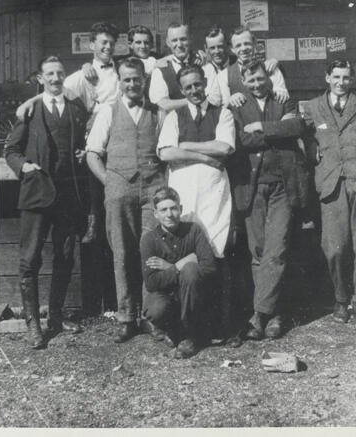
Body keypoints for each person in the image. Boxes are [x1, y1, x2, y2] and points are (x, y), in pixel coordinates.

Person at [5, 56, 88, 349]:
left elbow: (84, 145)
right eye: (50, 74)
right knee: (30, 259)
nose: (55, 78)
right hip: (37, 195)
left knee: (65, 256)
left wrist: (82, 154)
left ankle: (55, 316)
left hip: (67, 197)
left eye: (59, 73)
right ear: (41, 78)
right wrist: (23, 166)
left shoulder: (77, 110)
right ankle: (33, 325)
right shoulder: (30, 111)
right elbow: (11, 150)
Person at [15, 21, 121, 244]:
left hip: (120, 139)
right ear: (92, 45)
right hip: (97, 140)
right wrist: (29, 103)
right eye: (103, 42)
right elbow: (54, 91)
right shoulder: (78, 77)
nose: (108, 47)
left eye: (112, 43)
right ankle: (93, 226)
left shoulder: (123, 70)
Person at [86, 57, 165, 343]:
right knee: (122, 254)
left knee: (151, 253)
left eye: (137, 79)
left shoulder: (158, 113)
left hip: (153, 190)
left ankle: (151, 317)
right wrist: (110, 183)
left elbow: (166, 150)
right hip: (119, 191)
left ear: (144, 80)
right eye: (127, 79)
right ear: (120, 81)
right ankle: (126, 317)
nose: (132, 84)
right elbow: (93, 154)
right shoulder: (107, 112)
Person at [229, 60, 308, 343]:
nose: (257, 84)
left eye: (260, 78)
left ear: (268, 77)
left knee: (276, 250)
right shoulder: (237, 106)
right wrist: (276, 132)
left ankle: (260, 316)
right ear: (243, 82)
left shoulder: (284, 99)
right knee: (259, 251)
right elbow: (241, 141)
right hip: (252, 188)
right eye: (251, 81)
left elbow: (296, 127)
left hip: (282, 187)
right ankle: (274, 314)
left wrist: (261, 126)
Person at [157, 64, 235, 339]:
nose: (194, 91)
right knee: (186, 258)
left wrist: (187, 146)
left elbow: (224, 147)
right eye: (188, 87)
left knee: (215, 252)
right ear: (182, 90)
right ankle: (188, 328)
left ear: (205, 84)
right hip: (185, 191)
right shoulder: (174, 117)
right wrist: (203, 155)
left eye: (197, 85)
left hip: (215, 193)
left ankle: (219, 326)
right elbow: (166, 153)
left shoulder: (222, 113)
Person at [303, 60, 356, 330]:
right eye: (336, 77)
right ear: (327, 77)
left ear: (352, 79)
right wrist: (312, 146)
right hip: (331, 182)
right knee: (334, 247)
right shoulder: (314, 107)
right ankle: (340, 297)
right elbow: (304, 134)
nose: (341, 82)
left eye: (346, 77)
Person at [141, 186, 217, 358]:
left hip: (193, 296)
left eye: (173, 208)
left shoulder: (193, 230)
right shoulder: (149, 240)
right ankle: (172, 330)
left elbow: (209, 266)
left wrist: (169, 267)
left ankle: (190, 336)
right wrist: (178, 265)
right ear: (155, 214)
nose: (169, 214)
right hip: (167, 297)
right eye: (163, 210)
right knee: (155, 309)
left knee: (190, 269)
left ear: (180, 209)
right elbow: (152, 283)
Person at [203, 25, 285, 107]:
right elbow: (224, 107)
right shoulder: (223, 75)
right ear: (232, 49)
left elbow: (282, 99)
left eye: (247, 43)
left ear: (254, 43)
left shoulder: (271, 68)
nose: (243, 49)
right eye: (238, 45)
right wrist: (231, 100)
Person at [148, 22, 205, 112]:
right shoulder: (160, 69)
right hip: (175, 123)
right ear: (168, 42)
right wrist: (193, 100)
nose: (179, 45)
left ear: (190, 39)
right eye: (174, 40)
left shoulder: (203, 63)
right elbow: (162, 103)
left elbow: (213, 97)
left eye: (183, 39)